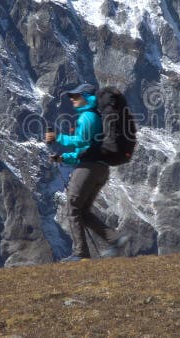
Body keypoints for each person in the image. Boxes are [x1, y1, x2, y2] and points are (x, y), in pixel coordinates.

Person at [45, 83, 129, 262]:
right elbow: (84, 150)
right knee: (83, 211)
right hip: (99, 169)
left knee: (73, 206)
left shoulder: (87, 117)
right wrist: (62, 158)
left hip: (87, 169)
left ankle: (80, 253)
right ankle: (115, 238)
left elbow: (80, 141)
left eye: (76, 96)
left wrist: (58, 137)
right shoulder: (96, 117)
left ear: (87, 97)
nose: (72, 99)